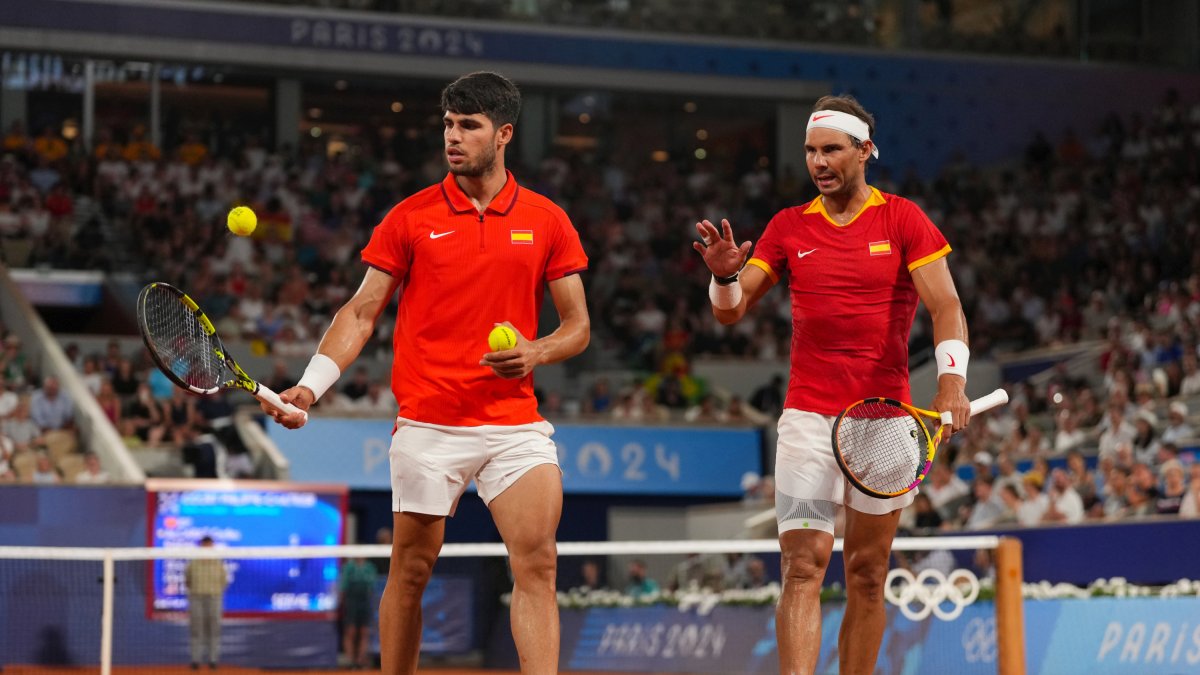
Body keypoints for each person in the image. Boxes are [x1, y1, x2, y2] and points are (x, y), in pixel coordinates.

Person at [263, 72, 590, 675]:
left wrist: (537, 351)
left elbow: (577, 327)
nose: (454, 137)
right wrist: (310, 385)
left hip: (514, 426)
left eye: (469, 125)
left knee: (538, 562)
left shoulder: (547, 219)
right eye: (448, 124)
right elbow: (361, 312)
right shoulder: (410, 217)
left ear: (504, 134)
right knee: (411, 569)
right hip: (428, 424)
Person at [693, 94, 971, 674]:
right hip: (807, 419)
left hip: (885, 425)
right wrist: (723, 278)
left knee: (868, 572)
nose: (818, 162)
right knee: (803, 564)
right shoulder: (788, 226)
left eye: (832, 150)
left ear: (865, 150)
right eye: (811, 151)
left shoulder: (903, 218)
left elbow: (946, 304)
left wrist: (952, 382)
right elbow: (732, 310)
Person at [184, 536, 228, 670]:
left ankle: (213, 660)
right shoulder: (193, 563)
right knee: (196, 629)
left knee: (214, 629)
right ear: (201, 546)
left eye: (210, 545)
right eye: (205, 545)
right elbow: (188, 580)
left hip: (215, 598)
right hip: (196, 598)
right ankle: (195, 660)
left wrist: (214, 591)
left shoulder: (218, 563)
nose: (207, 547)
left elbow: (224, 581)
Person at [339, 556, 379, 670]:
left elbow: (372, 587)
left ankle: (360, 660)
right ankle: (350, 660)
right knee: (350, 631)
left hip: (365, 602)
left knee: (364, 631)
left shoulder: (370, 567)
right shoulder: (348, 567)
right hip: (351, 602)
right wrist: (342, 605)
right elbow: (343, 588)